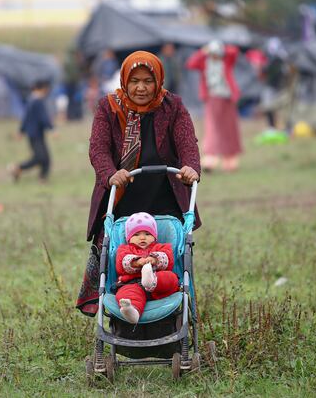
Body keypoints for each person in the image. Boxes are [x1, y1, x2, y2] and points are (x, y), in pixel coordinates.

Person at [75, 50, 201, 317]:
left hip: (165, 197)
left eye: (148, 81)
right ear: (124, 80)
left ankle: (171, 313)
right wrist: (110, 173)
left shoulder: (173, 106)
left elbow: (187, 143)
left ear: (158, 81)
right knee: (119, 258)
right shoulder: (107, 107)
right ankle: (122, 307)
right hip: (122, 199)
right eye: (134, 81)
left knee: (167, 257)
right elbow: (98, 148)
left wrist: (190, 167)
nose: (141, 87)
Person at [186, 40, 242, 172]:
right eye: (213, 53)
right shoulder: (204, 62)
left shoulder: (227, 60)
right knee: (213, 129)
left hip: (227, 98)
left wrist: (221, 49)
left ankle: (230, 160)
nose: (215, 55)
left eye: (217, 53)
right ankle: (210, 160)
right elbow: (190, 64)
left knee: (229, 129)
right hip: (211, 98)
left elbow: (234, 52)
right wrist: (203, 51)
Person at [115, 212, 179, 324]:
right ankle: (132, 311)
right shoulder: (124, 249)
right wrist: (137, 262)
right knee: (126, 293)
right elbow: (122, 264)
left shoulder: (161, 247)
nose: (142, 237)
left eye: (147, 234)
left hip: (159, 283)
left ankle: (151, 280)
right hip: (133, 283)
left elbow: (168, 259)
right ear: (128, 238)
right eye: (136, 234)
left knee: (172, 278)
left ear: (154, 237)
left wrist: (155, 260)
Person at [10, 81, 53, 183]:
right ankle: (18, 168)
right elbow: (43, 118)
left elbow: (26, 118)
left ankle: (42, 178)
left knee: (45, 158)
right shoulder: (37, 101)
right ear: (42, 89)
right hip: (36, 134)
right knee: (40, 157)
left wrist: (21, 131)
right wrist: (52, 129)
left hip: (34, 133)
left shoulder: (31, 100)